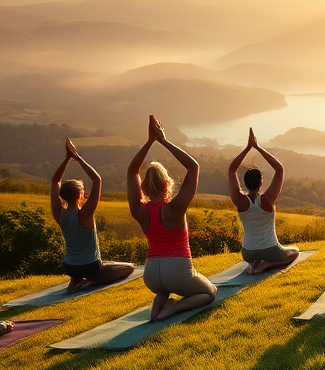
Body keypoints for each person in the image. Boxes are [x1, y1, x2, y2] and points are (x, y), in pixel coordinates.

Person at [127, 115, 217, 320]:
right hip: (178, 271)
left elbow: (132, 170)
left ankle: (158, 306)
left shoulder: (139, 211)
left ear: (144, 187)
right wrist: (163, 141)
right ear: (167, 184)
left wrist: (149, 142)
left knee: (164, 287)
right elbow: (193, 166)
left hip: (151, 275)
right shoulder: (175, 209)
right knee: (210, 292)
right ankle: (173, 307)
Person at [49, 137, 135, 293]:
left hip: (69, 266)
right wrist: (78, 157)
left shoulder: (59, 214)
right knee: (129, 268)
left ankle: (76, 279)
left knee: (109, 263)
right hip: (90, 267)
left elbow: (55, 181)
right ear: (80, 194)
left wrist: (67, 158)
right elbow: (97, 179)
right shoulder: (85, 214)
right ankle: (88, 282)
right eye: (83, 190)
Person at [227, 128, 300, 275]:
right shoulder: (268, 200)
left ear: (245, 183)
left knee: (258, 255)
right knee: (295, 251)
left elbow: (231, 170)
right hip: (271, 250)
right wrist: (258, 147)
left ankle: (255, 263)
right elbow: (279, 169)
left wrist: (247, 148)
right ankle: (268, 264)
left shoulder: (239, 200)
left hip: (248, 253)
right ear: (261, 183)